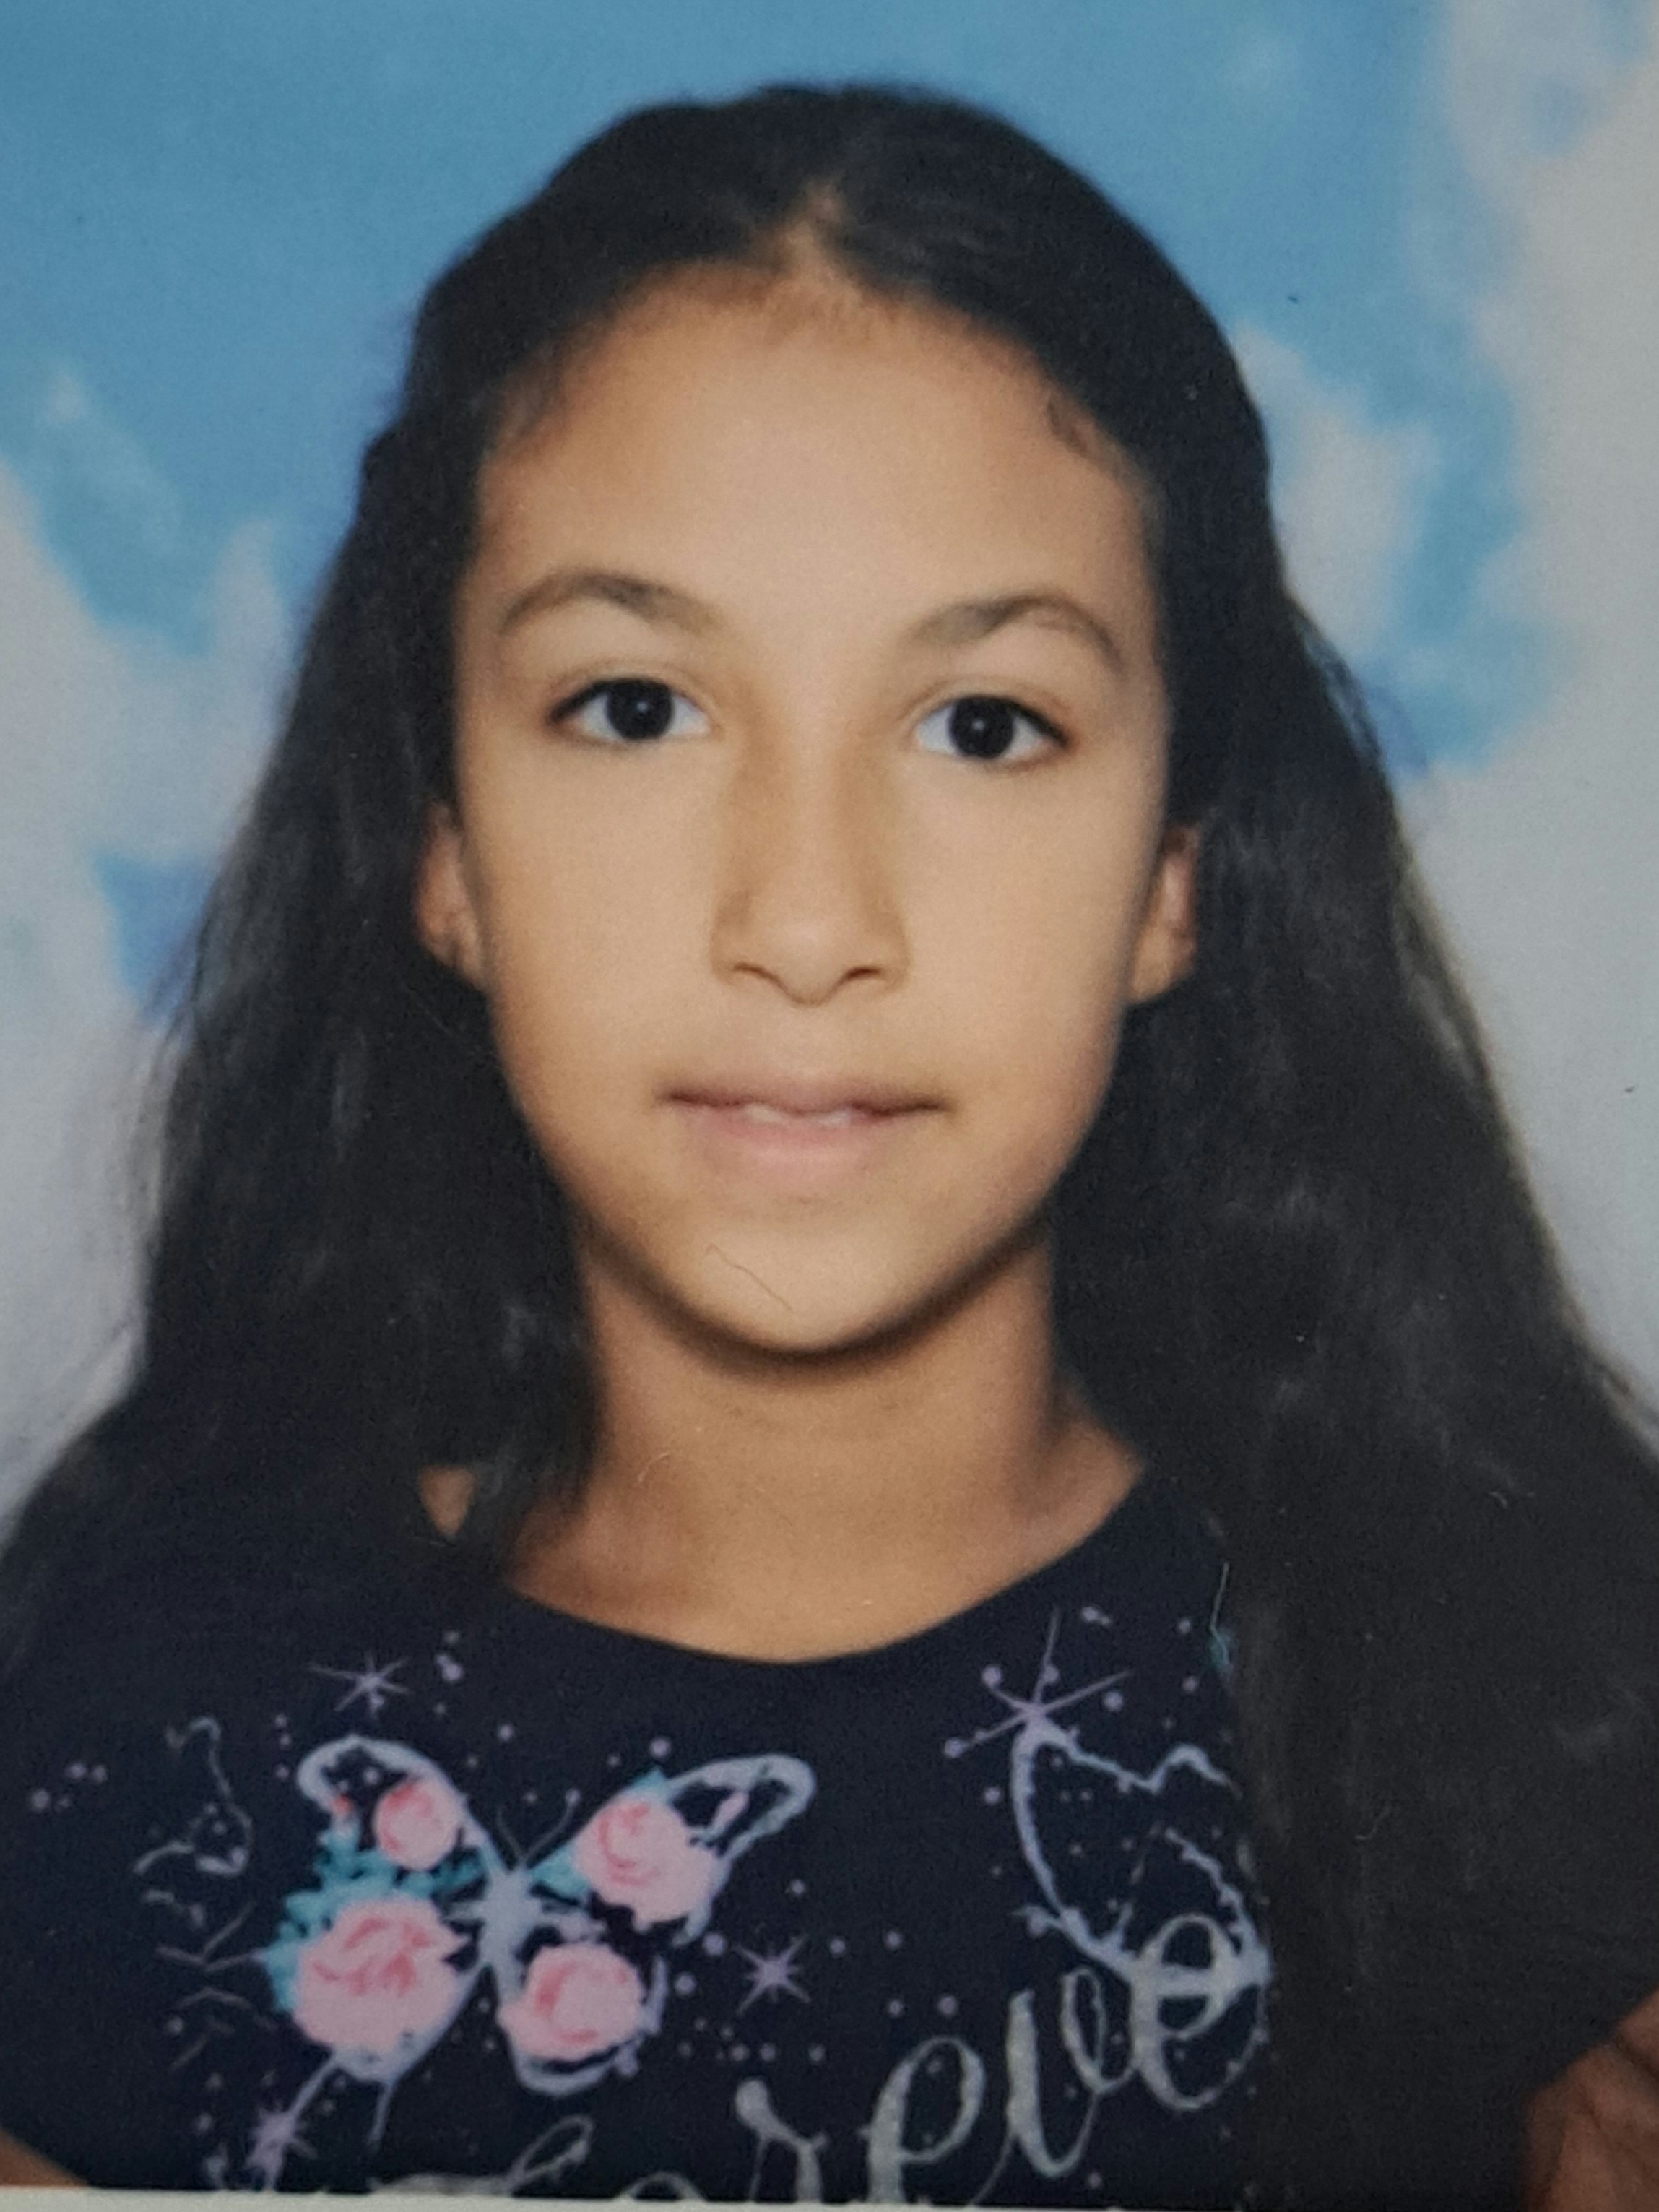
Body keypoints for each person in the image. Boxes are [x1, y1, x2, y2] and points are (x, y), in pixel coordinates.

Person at [0, 83, 1655, 2208]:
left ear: (1175, 879)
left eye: (984, 726)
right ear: (444, 851)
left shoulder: (1540, 1737)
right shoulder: (141, 1750)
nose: (802, 923)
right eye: (633, 706)